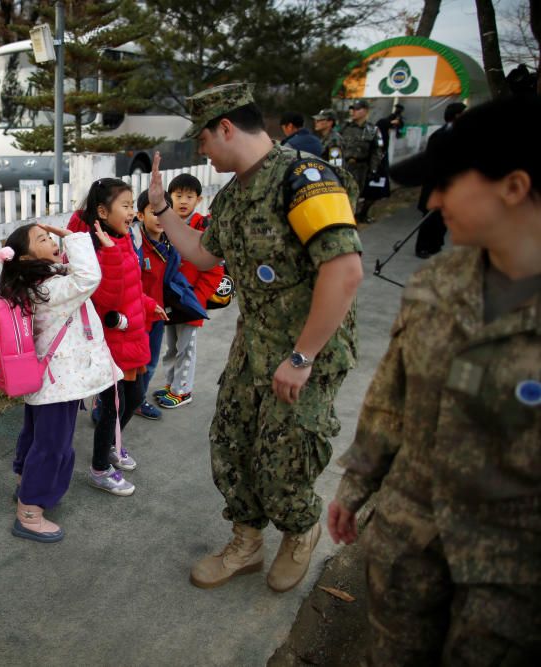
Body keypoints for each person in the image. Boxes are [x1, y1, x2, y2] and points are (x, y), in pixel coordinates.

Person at [327, 95, 541, 665]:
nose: (435, 198)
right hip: (409, 544)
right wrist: (358, 484)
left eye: (448, 182)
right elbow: (390, 397)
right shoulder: (436, 283)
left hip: (515, 581)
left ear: (514, 187)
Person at [151, 82, 363, 592]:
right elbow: (204, 255)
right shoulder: (235, 192)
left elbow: (345, 270)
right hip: (254, 347)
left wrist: (302, 355)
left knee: (284, 456)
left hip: (305, 351)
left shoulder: (304, 178)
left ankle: (300, 531)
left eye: (202, 140)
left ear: (226, 127)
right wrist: (160, 211)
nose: (200, 151)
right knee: (230, 442)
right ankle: (246, 540)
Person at [0, 221, 120, 541]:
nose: (52, 240)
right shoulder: (46, 289)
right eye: (43, 239)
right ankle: (30, 513)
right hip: (58, 382)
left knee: (37, 437)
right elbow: (88, 277)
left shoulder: (42, 283)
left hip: (50, 380)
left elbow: (82, 273)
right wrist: (74, 237)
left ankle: (26, 485)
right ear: (24, 259)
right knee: (53, 447)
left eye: (50, 236)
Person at [77, 178, 162, 496]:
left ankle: (112, 444)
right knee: (114, 406)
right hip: (113, 342)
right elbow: (108, 298)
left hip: (133, 335)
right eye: (125, 206)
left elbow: (131, 287)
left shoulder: (124, 238)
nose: (131, 212)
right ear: (102, 211)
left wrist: (150, 306)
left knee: (135, 398)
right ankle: (100, 468)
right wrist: (111, 253)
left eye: (131, 206)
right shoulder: (96, 247)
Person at [154, 174, 224, 410]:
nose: (184, 201)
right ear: (169, 198)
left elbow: (214, 268)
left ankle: (183, 390)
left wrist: (199, 297)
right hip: (171, 299)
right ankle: (172, 384)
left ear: (199, 199)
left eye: (189, 196)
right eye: (178, 196)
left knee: (187, 347)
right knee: (172, 345)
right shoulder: (164, 225)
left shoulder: (204, 227)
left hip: (192, 300)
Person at [134, 188, 205, 419]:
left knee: (150, 363)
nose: (159, 217)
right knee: (122, 364)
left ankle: (137, 400)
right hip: (133, 317)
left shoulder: (170, 244)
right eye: (153, 212)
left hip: (157, 316)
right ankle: (105, 405)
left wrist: (188, 300)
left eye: (163, 212)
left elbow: (174, 277)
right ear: (140, 216)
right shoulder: (134, 245)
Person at [414, 102, 466, 258]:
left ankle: (436, 245)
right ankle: (422, 247)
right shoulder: (439, 135)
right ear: (456, 116)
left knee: (444, 216)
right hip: (436, 183)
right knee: (430, 217)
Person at [341, 99, 383, 221]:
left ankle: (350, 219)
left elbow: (377, 151)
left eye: (357, 109)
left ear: (365, 111)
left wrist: (374, 169)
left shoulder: (372, 130)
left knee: (355, 194)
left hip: (361, 168)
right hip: (344, 165)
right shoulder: (344, 127)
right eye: (352, 109)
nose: (353, 112)